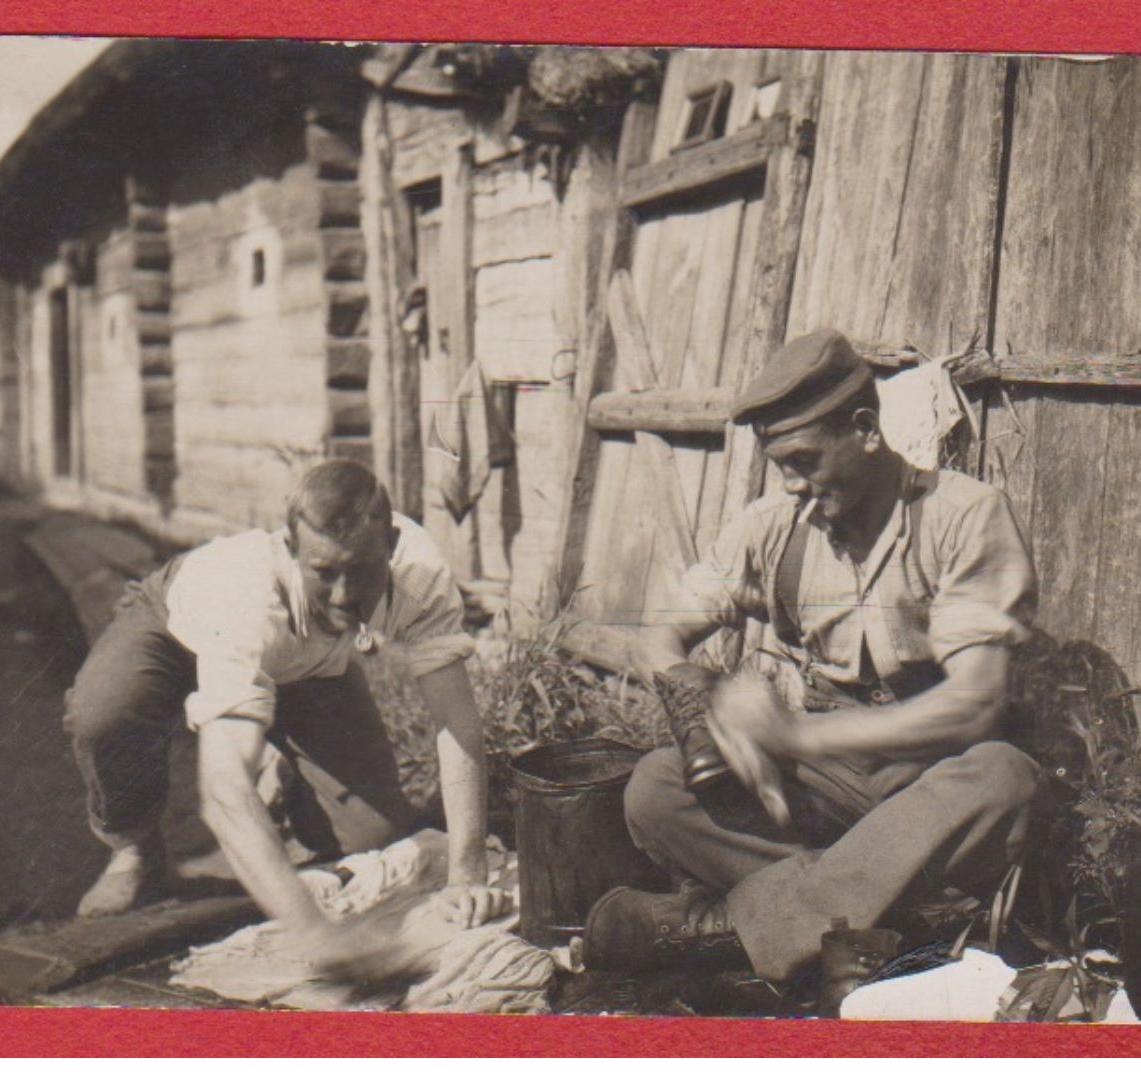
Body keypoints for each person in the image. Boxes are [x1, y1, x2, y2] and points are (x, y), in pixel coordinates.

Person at [583, 328, 1042, 987]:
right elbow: (657, 633)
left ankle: (730, 932)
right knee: (656, 787)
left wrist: (798, 731)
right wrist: (697, 711)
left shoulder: (962, 517)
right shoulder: (773, 527)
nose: (792, 484)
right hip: (829, 786)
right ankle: (881, 916)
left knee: (1006, 778)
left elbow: (972, 702)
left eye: (803, 461)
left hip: (935, 777)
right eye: (780, 468)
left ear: (863, 429)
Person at [63, 460, 509, 973]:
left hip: (308, 667)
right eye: (323, 573)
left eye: (360, 570)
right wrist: (317, 935)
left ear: (390, 543)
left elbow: (456, 720)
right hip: (176, 635)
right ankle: (133, 848)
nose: (344, 595)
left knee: (374, 840)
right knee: (104, 712)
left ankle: (282, 777)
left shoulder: (420, 572)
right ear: (290, 549)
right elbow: (225, 793)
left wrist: (467, 875)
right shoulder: (246, 599)